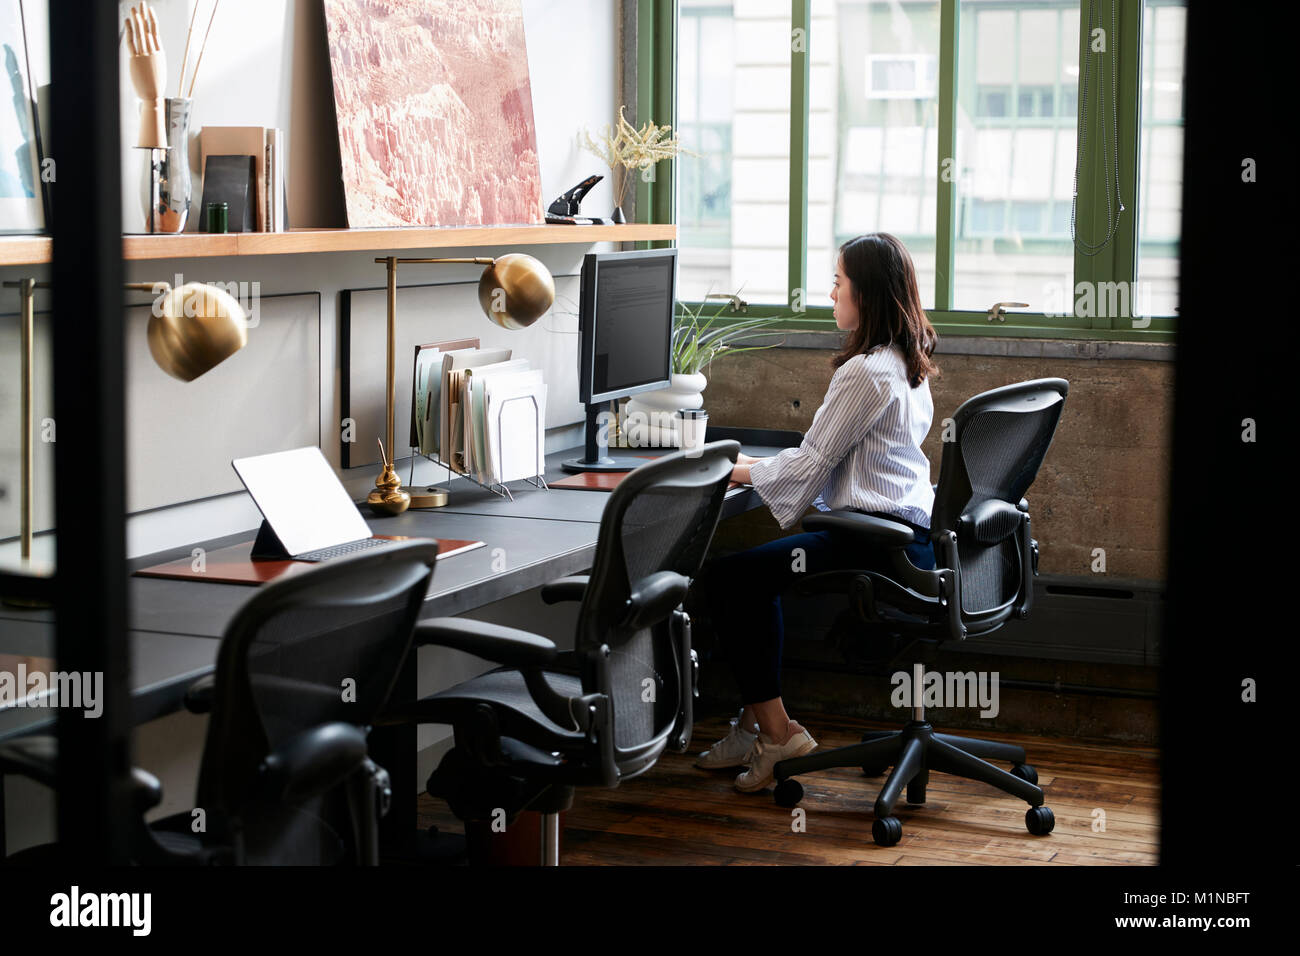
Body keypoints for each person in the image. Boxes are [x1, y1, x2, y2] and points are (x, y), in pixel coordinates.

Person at [694, 232, 941, 792]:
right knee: (747, 577)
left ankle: (778, 734)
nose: (831, 293)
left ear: (867, 295)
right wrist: (756, 464)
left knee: (732, 579)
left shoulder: (865, 372)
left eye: (838, 282)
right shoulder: (905, 361)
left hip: (873, 540)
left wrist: (734, 470)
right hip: (910, 534)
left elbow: (812, 464)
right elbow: (825, 455)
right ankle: (757, 722)